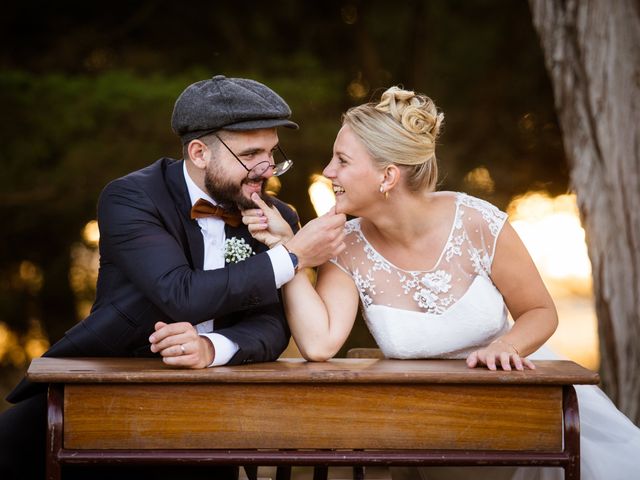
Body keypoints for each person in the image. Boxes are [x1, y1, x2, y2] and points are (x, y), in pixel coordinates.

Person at [243, 86, 640, 479]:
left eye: (342, 160)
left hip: (528, 415)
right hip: (434, 434)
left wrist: (506, 345)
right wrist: (288, 251)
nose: (328, 172)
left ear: (388, 175)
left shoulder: (478, 222)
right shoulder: (345, 246)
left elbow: (540, 312)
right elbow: (319, 343)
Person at [0, 75, 346, 480]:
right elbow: (179, 293)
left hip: (210, 407)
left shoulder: (279, 217)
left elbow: (271, 324)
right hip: (104, 385)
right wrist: (294, 255)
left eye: (272, 152)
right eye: (251, 154)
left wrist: (210, 348)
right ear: (199, 152)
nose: (266, 169)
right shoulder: (132, 198)